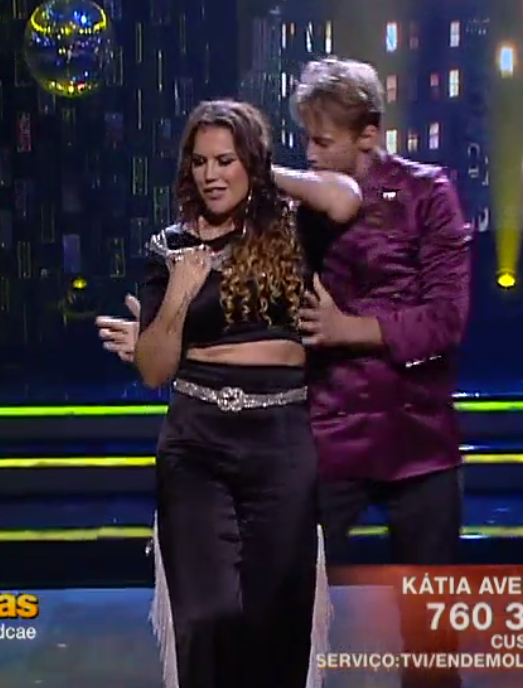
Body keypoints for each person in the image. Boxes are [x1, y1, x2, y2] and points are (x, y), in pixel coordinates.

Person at [127, 99, 361, 688]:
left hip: (279, 440)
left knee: (276, 620)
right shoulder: (170, 246)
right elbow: (153, 371)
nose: (211, 175)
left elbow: (345, 198)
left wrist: (262, 172)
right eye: (200, 161)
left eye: (225, 160)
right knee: (207, 617)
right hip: (196, 442)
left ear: (250, 162)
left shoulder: (291, 228)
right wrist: (179, 294)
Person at [291, 56, 472, 688]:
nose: (310, 153)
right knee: (288, 609)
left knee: (430, 638)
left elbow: (446, 320)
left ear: (369, 133)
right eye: (306, 139)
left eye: (323, 141)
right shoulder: (304, 205)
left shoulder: (430, 194)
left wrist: (348, 330)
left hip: (419, 437)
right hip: (329, 433)